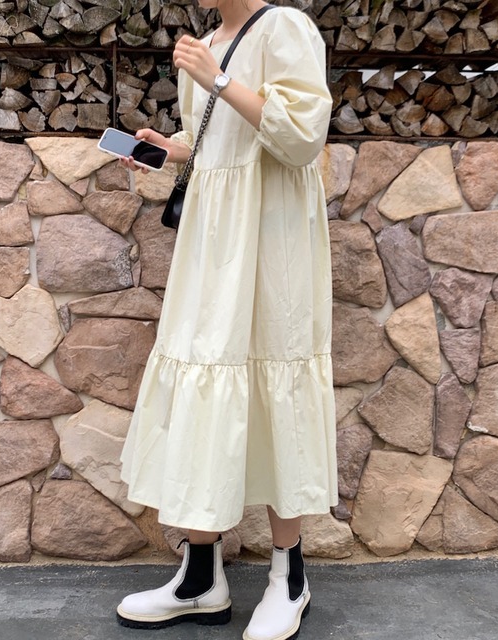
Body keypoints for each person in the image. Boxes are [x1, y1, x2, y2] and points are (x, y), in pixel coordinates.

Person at [117, 1, 336, 638]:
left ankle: (288, 578)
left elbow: (301, 137)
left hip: (272, 235)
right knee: (202, 370)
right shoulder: (208, 42)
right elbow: (215, 141)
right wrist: (169, 149)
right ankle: (200, 578)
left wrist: (216, 78)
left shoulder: (285, 27)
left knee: (277, 376)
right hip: (212, 237)